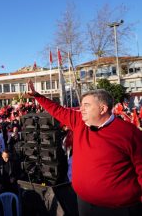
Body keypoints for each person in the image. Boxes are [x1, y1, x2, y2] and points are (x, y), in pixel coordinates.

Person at [28, 80, 142, 216]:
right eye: (81, 105)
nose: (80, 109)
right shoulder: (78, 121)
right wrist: (37, 95)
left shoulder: (129, 132)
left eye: (86, 105)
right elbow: (57, 110)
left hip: (118, 209)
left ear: (103, 109)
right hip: (84, 204)